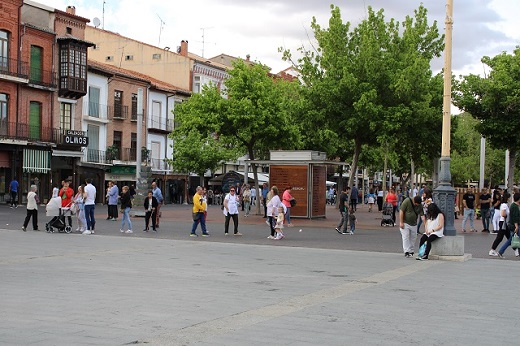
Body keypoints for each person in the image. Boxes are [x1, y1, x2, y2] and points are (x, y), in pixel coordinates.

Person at [497, 192, 520, 258]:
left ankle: (501, 251)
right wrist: (516, 226)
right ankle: (501, 251)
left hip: (515, 225)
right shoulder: (514, 206)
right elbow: (514, 217)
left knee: (511, 239)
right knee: (513, 239)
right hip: (515, 225)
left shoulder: (515, 205)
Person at [489, 192, 511, 256]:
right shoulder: (504, 205)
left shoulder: (505, 204)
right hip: (503, 222)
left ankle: (516, 251)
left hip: (504, 222)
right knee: (500, 237)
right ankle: (492, 250)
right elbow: (503, 214)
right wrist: (507, 215)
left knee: (509, 237)